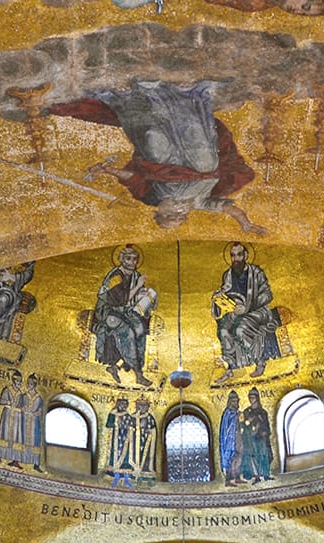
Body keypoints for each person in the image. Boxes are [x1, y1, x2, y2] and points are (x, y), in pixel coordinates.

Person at [50, 82, 265, 234]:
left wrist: (109, 170)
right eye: (180, 218)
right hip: (203, 169)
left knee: (153, 137)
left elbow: (133, 178)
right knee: (195, 134)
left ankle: (134, 96)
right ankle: (191, 92)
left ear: (159, 212)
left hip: (161, 167)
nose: (178, 214)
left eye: (170, 217)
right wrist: (245, 223)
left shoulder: (150, 199)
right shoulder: (199, 202)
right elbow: (229, 208)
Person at [90, 245, 156, 386]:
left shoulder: (135, 275)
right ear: (121, 259)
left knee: (140, 329)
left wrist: (142, 294)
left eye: (135, 259)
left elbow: (130, 299)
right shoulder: (115, 276)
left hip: (124, 311)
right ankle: (138, 374)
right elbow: (120, 299)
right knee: (128, 333)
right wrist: (138, 286)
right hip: (108, 313)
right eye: (128, 259)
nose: (132, 262)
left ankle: (122, 364)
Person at [213, 242, 282, 376]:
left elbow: (268, 295)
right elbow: (226, 293)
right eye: (232, 255)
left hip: (256, 311)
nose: (235, 259)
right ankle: (231, 367)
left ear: (246, 255)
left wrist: (248, 307)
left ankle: (260, 361)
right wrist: (218, 298)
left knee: (240, 329)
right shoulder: (228, 275)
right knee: (222, 330)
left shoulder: (256, 273)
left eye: (239, 255)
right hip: (236, 312)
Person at [238, 388, 273, 483]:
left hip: (261, 437)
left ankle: (266, 474)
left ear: (257, 398)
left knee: (264, 455)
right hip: (251, 438)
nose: (251, 399)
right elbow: (244, 424)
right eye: (250, 397)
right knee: (253, 456)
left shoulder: (263, 412)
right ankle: (256, 476)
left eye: (253, 397)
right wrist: (248, 422)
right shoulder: (247, 411)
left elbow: (266, 425)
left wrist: (264, 430)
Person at [220, 391, 243, 485]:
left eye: (237, 401)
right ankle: (228, 480)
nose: (236, 403)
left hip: (237, 437)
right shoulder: (228, 413)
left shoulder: (234, 413)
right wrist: (237, 416)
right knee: (230, 457)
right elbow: (226, 427)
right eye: (234, 401)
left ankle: (237, 477)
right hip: (230, 439)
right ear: (230, 402)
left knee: (240, 455)